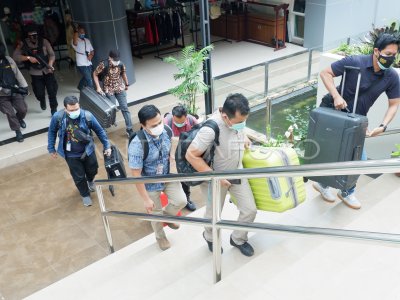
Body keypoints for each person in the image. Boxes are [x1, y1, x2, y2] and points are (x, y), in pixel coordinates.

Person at [314, 33, 400, 210]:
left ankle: (346, 191)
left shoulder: (391, 76)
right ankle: (323, 184)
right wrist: (336, 96)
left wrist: (383, 125)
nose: (391, 58)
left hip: (356, 120)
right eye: (388, 54)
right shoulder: (355, 62)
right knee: (330, 152)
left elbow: (394, 103)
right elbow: (325, 73)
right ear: (376, 51)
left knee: (359, 158)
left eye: (395, 55)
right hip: (333, 111)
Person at [186, 93, 257, 257]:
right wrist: (216, 177)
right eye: (239, 122)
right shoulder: (210, 129)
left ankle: (238, 238)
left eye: (244, 121)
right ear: (225, 116)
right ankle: (210, 237)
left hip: (236, 171)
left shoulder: (235, 120)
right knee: (213, 215)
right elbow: (191, 155)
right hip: (216, 179)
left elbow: (239, 128)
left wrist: (244, 135)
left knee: (249, 210)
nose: (242, 124)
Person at [128, 105, 187, 251]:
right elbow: (136, 175)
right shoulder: (137, 144)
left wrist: (172, 159)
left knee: (181, 201)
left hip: (167, 175)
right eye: (154, 125)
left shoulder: (166, 130)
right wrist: (145, 199)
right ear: (143, 125)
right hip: (150, 183)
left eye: (160, 122)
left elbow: (170, 148)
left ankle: (165, 218)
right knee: (155, 212)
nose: (159, 126)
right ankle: (160, 236)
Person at [47, 96, 112, 207]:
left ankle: (90, 180)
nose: (75, 112)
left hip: (88, 150)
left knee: (93, 169)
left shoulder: (87, 116)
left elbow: (100, 131)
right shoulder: (58, 117)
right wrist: (51, 148)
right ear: (65, 108)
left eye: (77, 109)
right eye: (71, 110)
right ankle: (85, 195)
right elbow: (52, 132)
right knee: (79, 176)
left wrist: (107, 146)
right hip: (70, 154)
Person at [13, 25, 58, 115]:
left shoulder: (44, 41)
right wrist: (28, 58)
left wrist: (50, 65)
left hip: (47, 70)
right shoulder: (23, 44)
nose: (33, 37)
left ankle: (54, 109)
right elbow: (15, 56)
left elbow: (52, 54)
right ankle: (42, 100)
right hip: (35, 72)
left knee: (52, 91)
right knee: (39, 93)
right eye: (31, 35)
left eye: (35, 35)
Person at [164, 105, 198, 211]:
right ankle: (174, 199)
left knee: (185, 177)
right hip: (171, 152)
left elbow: (199, 132)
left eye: (182, 122)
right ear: (173, 116)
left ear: (186, 116)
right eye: (177, 122)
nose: (179, 125)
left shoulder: (192, 120)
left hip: (186, 150)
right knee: (173, 176)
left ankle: (186, 199)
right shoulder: (166, 123)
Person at [93, 49, 133, 137]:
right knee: (111, 109)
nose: (116, 62)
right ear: (110, 58)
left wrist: (126, 84)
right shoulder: (103, 64)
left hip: (119, 88)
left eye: (117, 60)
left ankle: (129, 129)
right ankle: (104, 127)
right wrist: (98, 87)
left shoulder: (121, 64)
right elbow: (95, 74)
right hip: (108, 89)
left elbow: (123, 74)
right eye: (114, 60)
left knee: (125, 108)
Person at [0, 43, 29, 142]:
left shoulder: (8, 59)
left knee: (23, 109)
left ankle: (19, 119)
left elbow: (17, 73)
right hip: (1, 95)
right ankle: (17, 131)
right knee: (10, 113)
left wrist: (24, 87)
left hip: (14, 90)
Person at [72, 25, 94, 90]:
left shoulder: (87, 40)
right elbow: (75, 43)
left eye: (83, 32)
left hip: (88, 62)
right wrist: (75, 31)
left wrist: (91, 56)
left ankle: (80, 87)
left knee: (86, 76)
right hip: (81, 63)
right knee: (89, 78)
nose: (82, 33)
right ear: (78, 33)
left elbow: (92, 50)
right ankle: (93, 92)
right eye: (81, 32)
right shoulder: (75, 40)